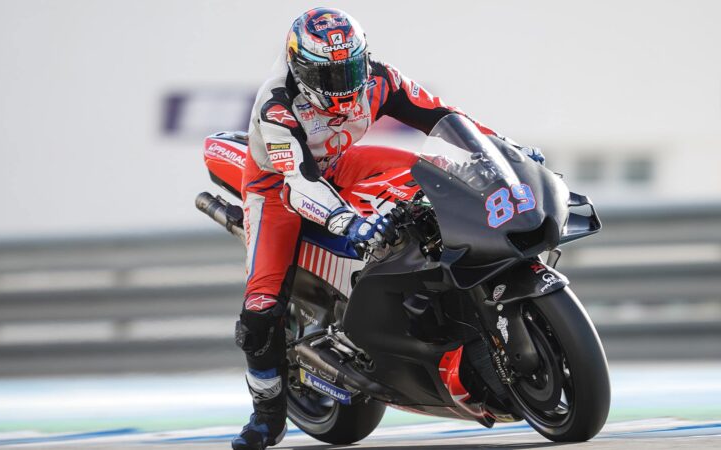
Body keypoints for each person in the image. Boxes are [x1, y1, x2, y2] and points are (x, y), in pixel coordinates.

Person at [232, 7, 543, 450]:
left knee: (438, 174)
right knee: (260, 309)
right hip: (278, 187)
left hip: (344, 163)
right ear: (299, 67)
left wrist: (502, 151)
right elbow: (300, 184)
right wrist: (347, 221)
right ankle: (267, 415)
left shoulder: (382, 78)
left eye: (351, 69)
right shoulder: (276, 106)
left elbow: (443, 117)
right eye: (329, 74)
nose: (344, 85)